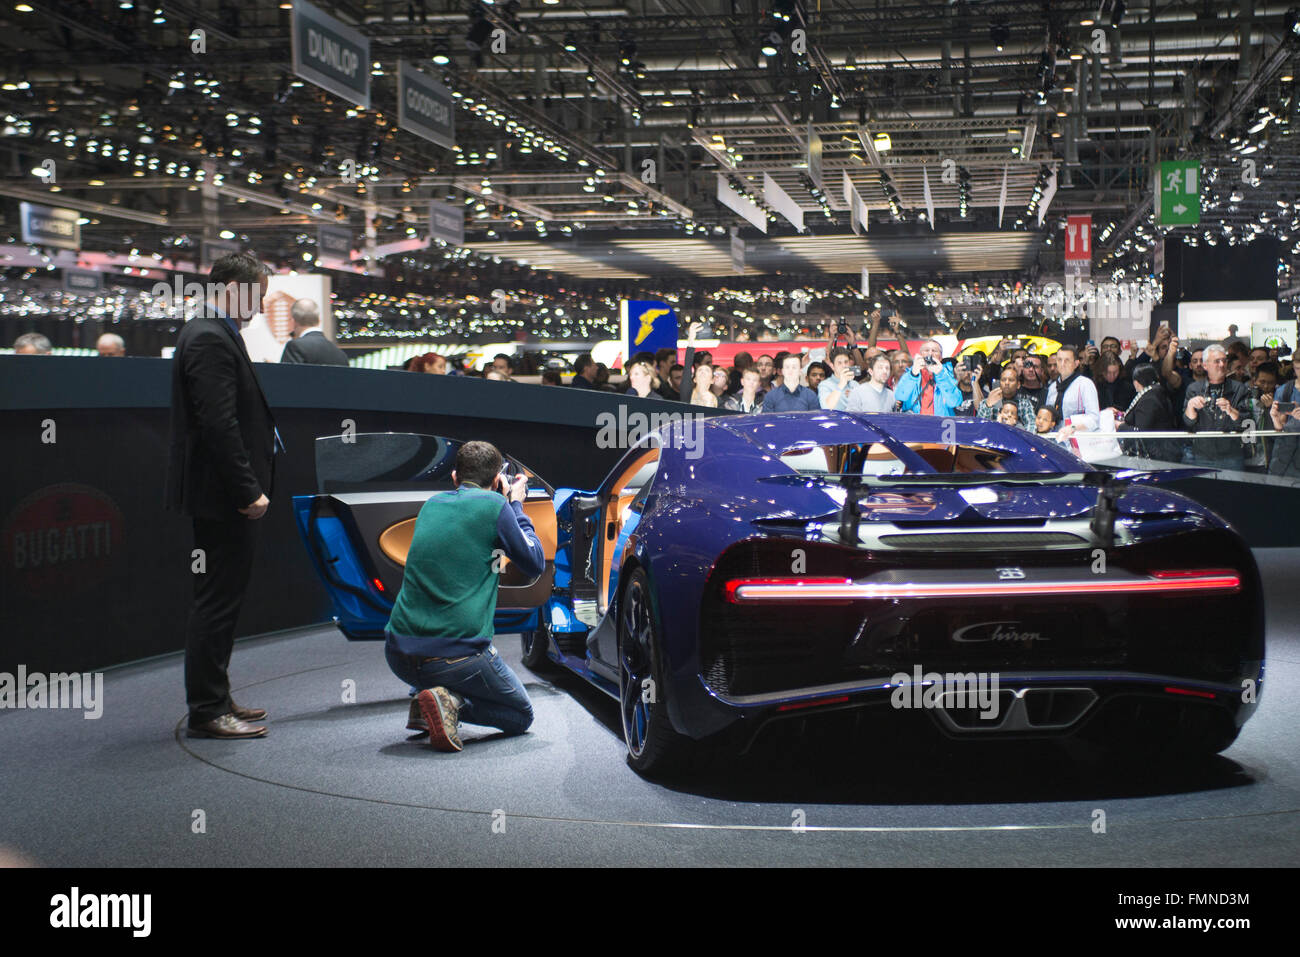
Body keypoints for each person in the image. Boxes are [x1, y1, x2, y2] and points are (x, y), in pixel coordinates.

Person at [165, 252, 281, 740]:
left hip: (222, 494)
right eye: (256, 292)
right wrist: (246, 489)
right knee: (216, 602)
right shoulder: (210, 336)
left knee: (223, 601)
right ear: (232, 287)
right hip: (223, 496)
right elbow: (218, 424)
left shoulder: (216, 332)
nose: (259, 304)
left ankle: (217, 695)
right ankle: (208, 710)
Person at [385, 441, 544, 752]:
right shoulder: (496, 508)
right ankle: (451, 703)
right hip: (454, 659)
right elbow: (534, 562)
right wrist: (515, 504)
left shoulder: (431, 505)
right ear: (498, 480)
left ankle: (424, 697)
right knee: (521, 715)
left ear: (455, 477)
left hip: (398, 653)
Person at [1183, 343, 1252, 469]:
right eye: (1217, 361)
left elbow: (1247, 423)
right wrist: (1190, 407)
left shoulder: (1239, 389)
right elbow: (1188, 423)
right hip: (1202, 454)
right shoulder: (1194, 389)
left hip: (1232, 455)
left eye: (1224, 361)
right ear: (1205, 365)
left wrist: (1231, 411)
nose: (1222, 365)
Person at [1117, 364, 1180, 462]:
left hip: (1155, 457)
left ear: (1136, 382)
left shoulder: (1149, 399)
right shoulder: (1156, 393)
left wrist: (1120, 426)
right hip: (1161, 454)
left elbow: (1141, 433)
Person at [895, 339, 961, 416]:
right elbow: (899, 395)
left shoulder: (947, 374)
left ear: (941, 357)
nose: (930, 353)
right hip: (915, 424)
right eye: (926, 350)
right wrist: (913, 374)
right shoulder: (911, 373)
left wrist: (940, 375)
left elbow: (955, 402)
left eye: (934, 351)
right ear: (921, 354)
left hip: (940, 424)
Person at [1045, 345, 1100, 432]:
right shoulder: (1052, 387)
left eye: (1067, 360)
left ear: (1076, 364)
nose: (1062, 364)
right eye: (1059, 360)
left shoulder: (1085, 384)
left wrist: (1072, 428)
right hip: (1055, 438)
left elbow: (1094, 419)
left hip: (1078, 439)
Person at [279, 299, 348, 366]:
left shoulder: (295, 347)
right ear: (319, 320)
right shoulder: (340, 354)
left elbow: (287, 376)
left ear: (293, 321)